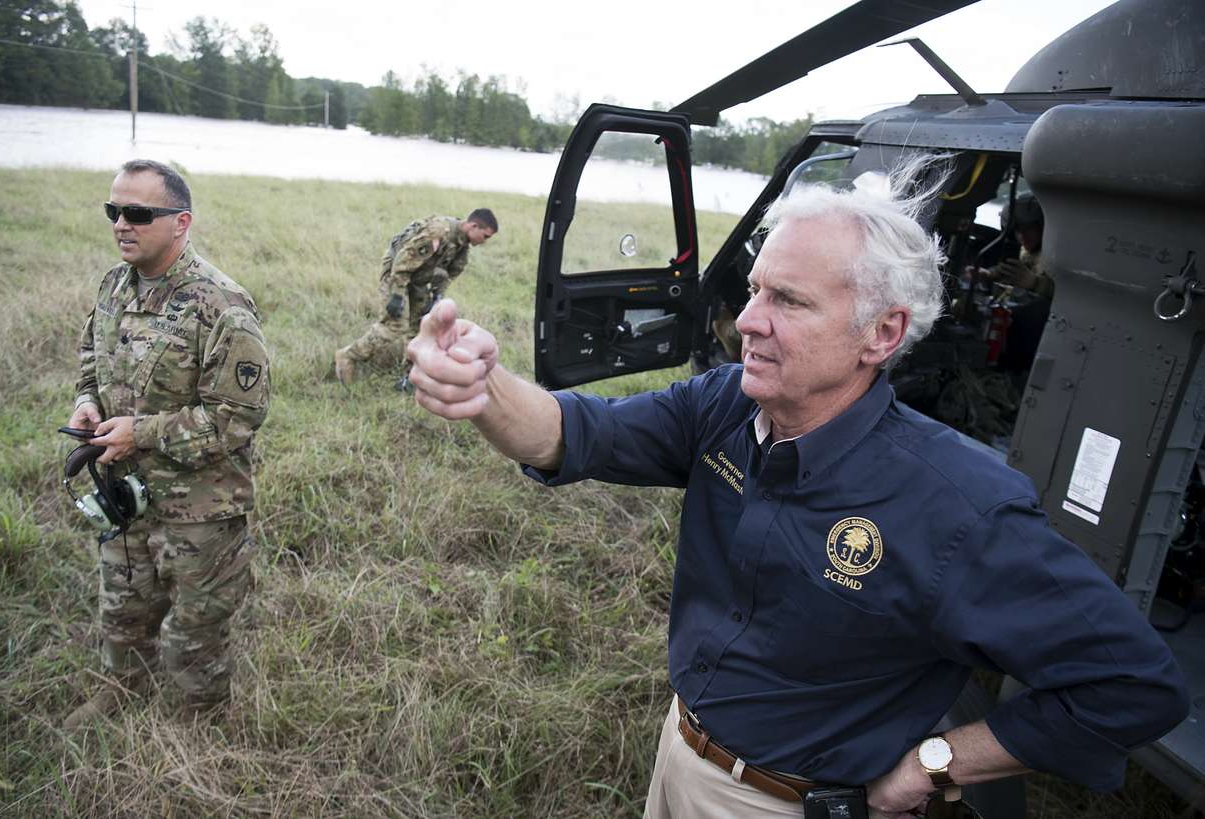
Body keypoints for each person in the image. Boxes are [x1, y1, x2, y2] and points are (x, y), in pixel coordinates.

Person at [404, 177, 1189, 817]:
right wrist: (484, 385)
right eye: (753, 290)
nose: (747, 321)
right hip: (679, 753)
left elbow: (1132, 684)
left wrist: (931, 764)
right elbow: (572, 434)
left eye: (789, 300)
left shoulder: (959, 508)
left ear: (881, 334)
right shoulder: (725, 406)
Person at [64, 159, 270, 728]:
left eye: (137, 213)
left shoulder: (221, 305)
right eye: (114, 211)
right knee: (124, 607)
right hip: (125, 495)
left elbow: (239, 417)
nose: (121, 225)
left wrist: (142, 433)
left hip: (198, 509)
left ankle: (195, 725)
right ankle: (121, 690)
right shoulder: (114, 284)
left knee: (196, 626)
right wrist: (88, 404)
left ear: (180, 223)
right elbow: (91, 360)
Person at [334, 208, 497, 385]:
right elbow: (403, 262)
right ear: (473, 226)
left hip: (419, 281)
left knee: (421, 327)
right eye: (485, 236)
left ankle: (409, 377)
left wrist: (436, 297)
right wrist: (396, 295)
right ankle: (348, 356)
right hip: (398, 277)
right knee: (393, 326)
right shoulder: (439, 232)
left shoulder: (462, 245)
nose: (485, 242)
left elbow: (448, 275)